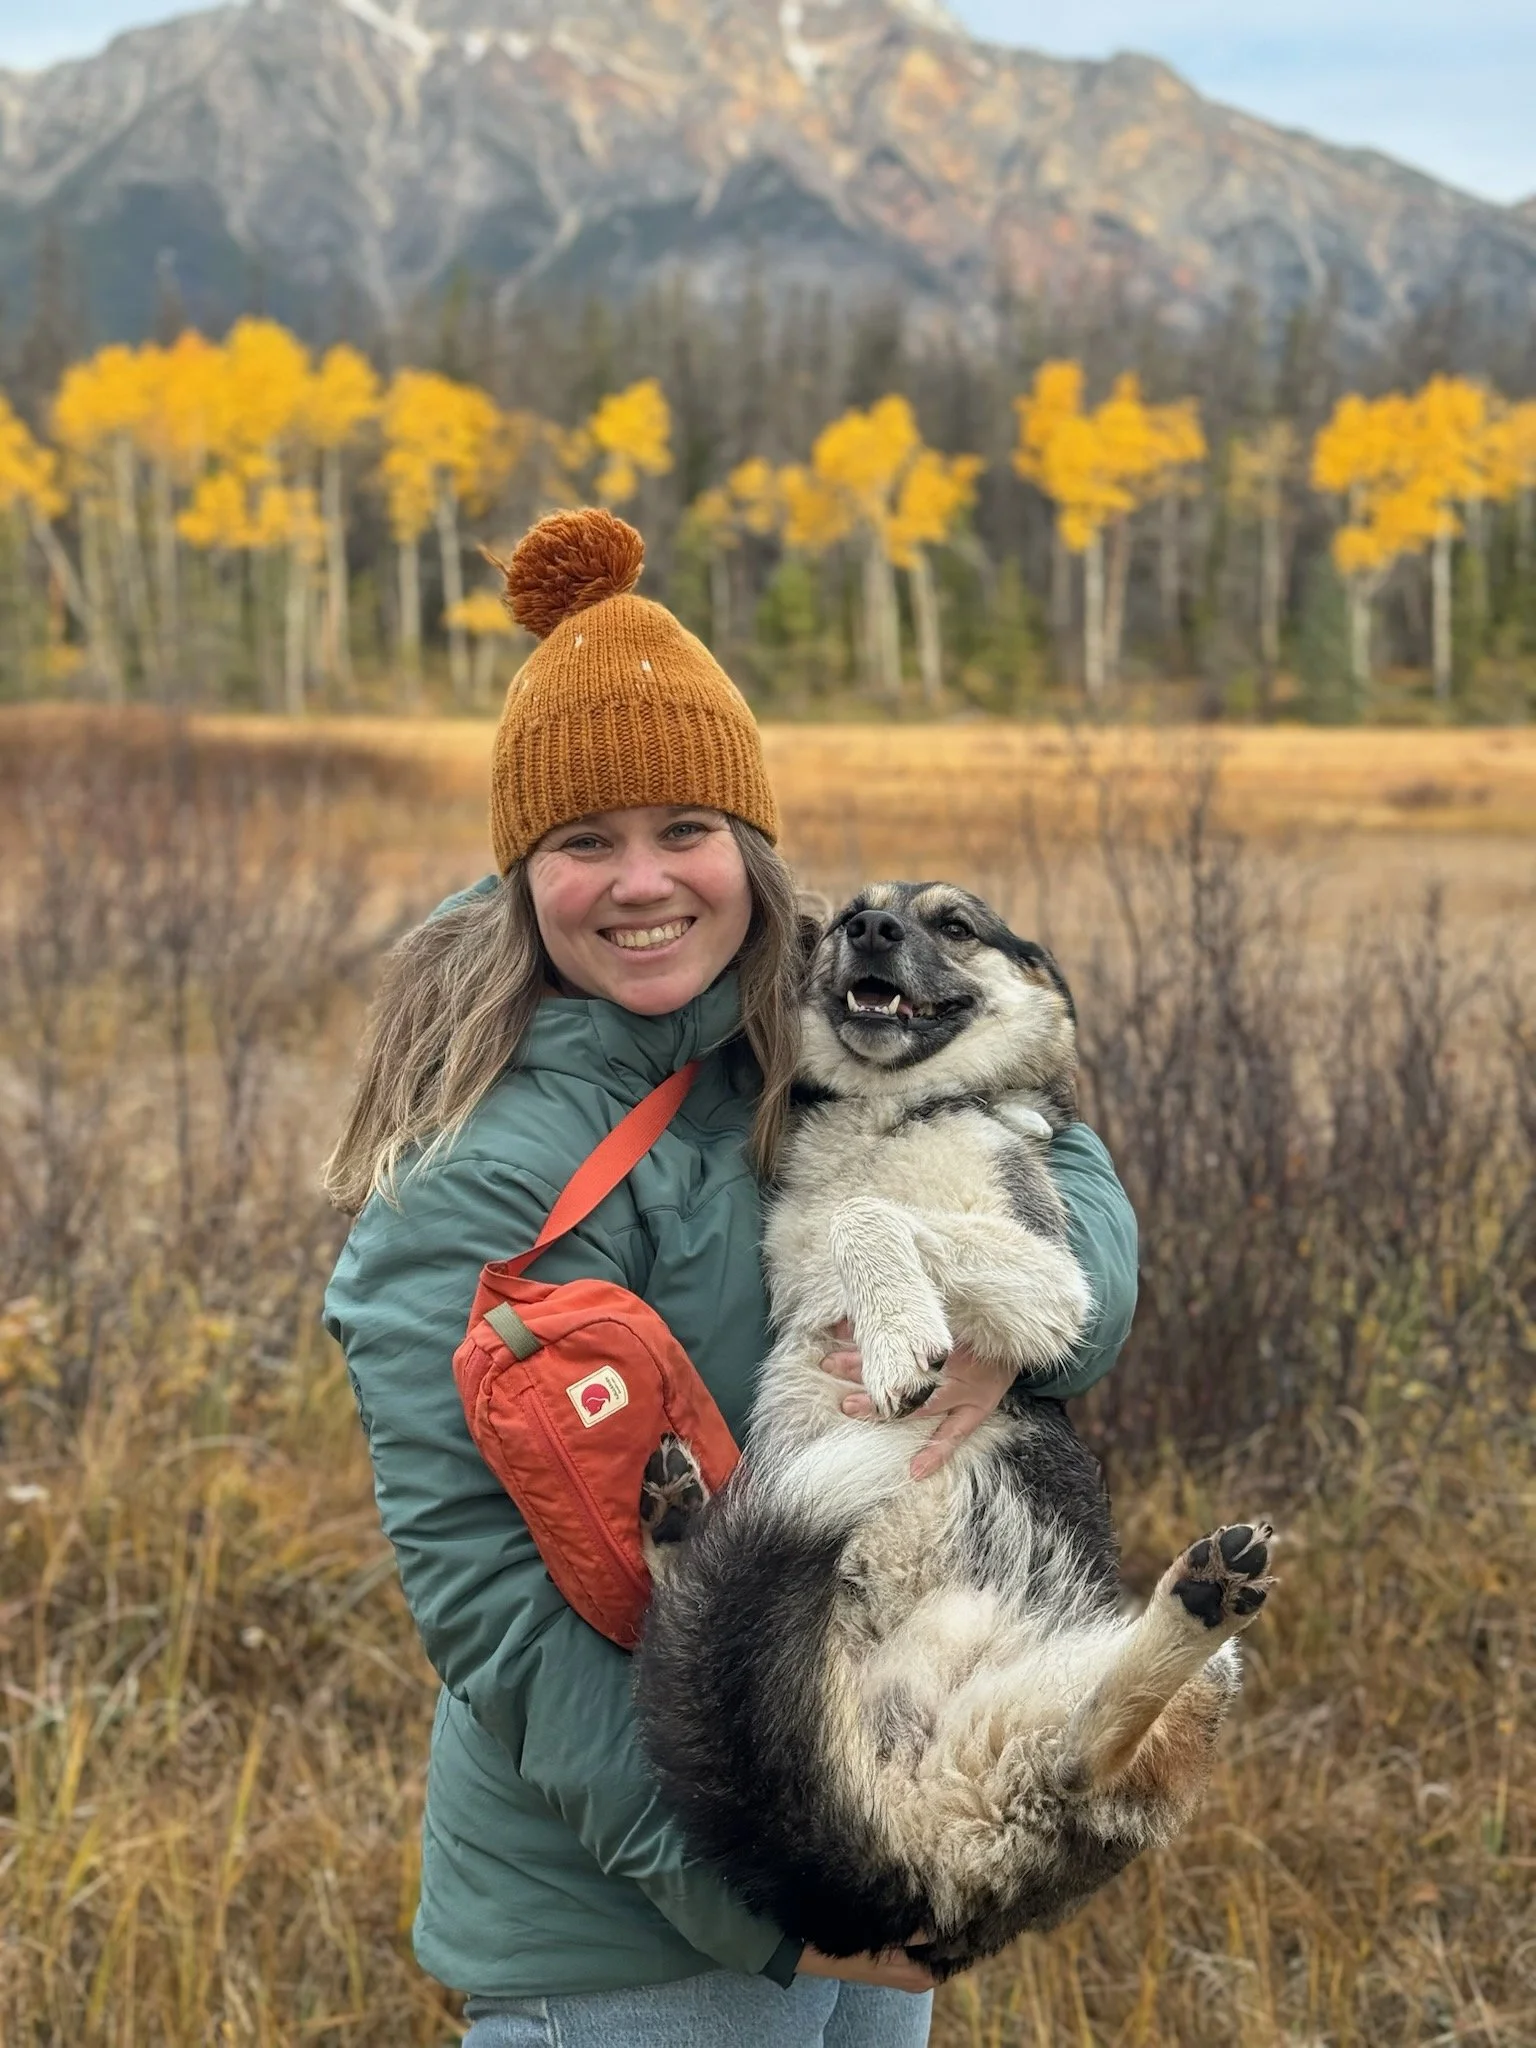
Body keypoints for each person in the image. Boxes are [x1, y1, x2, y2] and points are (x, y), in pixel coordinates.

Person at [321, 508, 1139, 2048]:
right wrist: (773, 1903)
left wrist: (1012, 1327)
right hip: (646, 1923)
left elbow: (1057, 1156)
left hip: (858, 1801)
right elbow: (496, 1609)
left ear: (752, 853)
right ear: (522, 873)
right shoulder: (480, 1176)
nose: (643, 883)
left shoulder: (786, 1041)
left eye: (684, 830)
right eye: (585, 842)